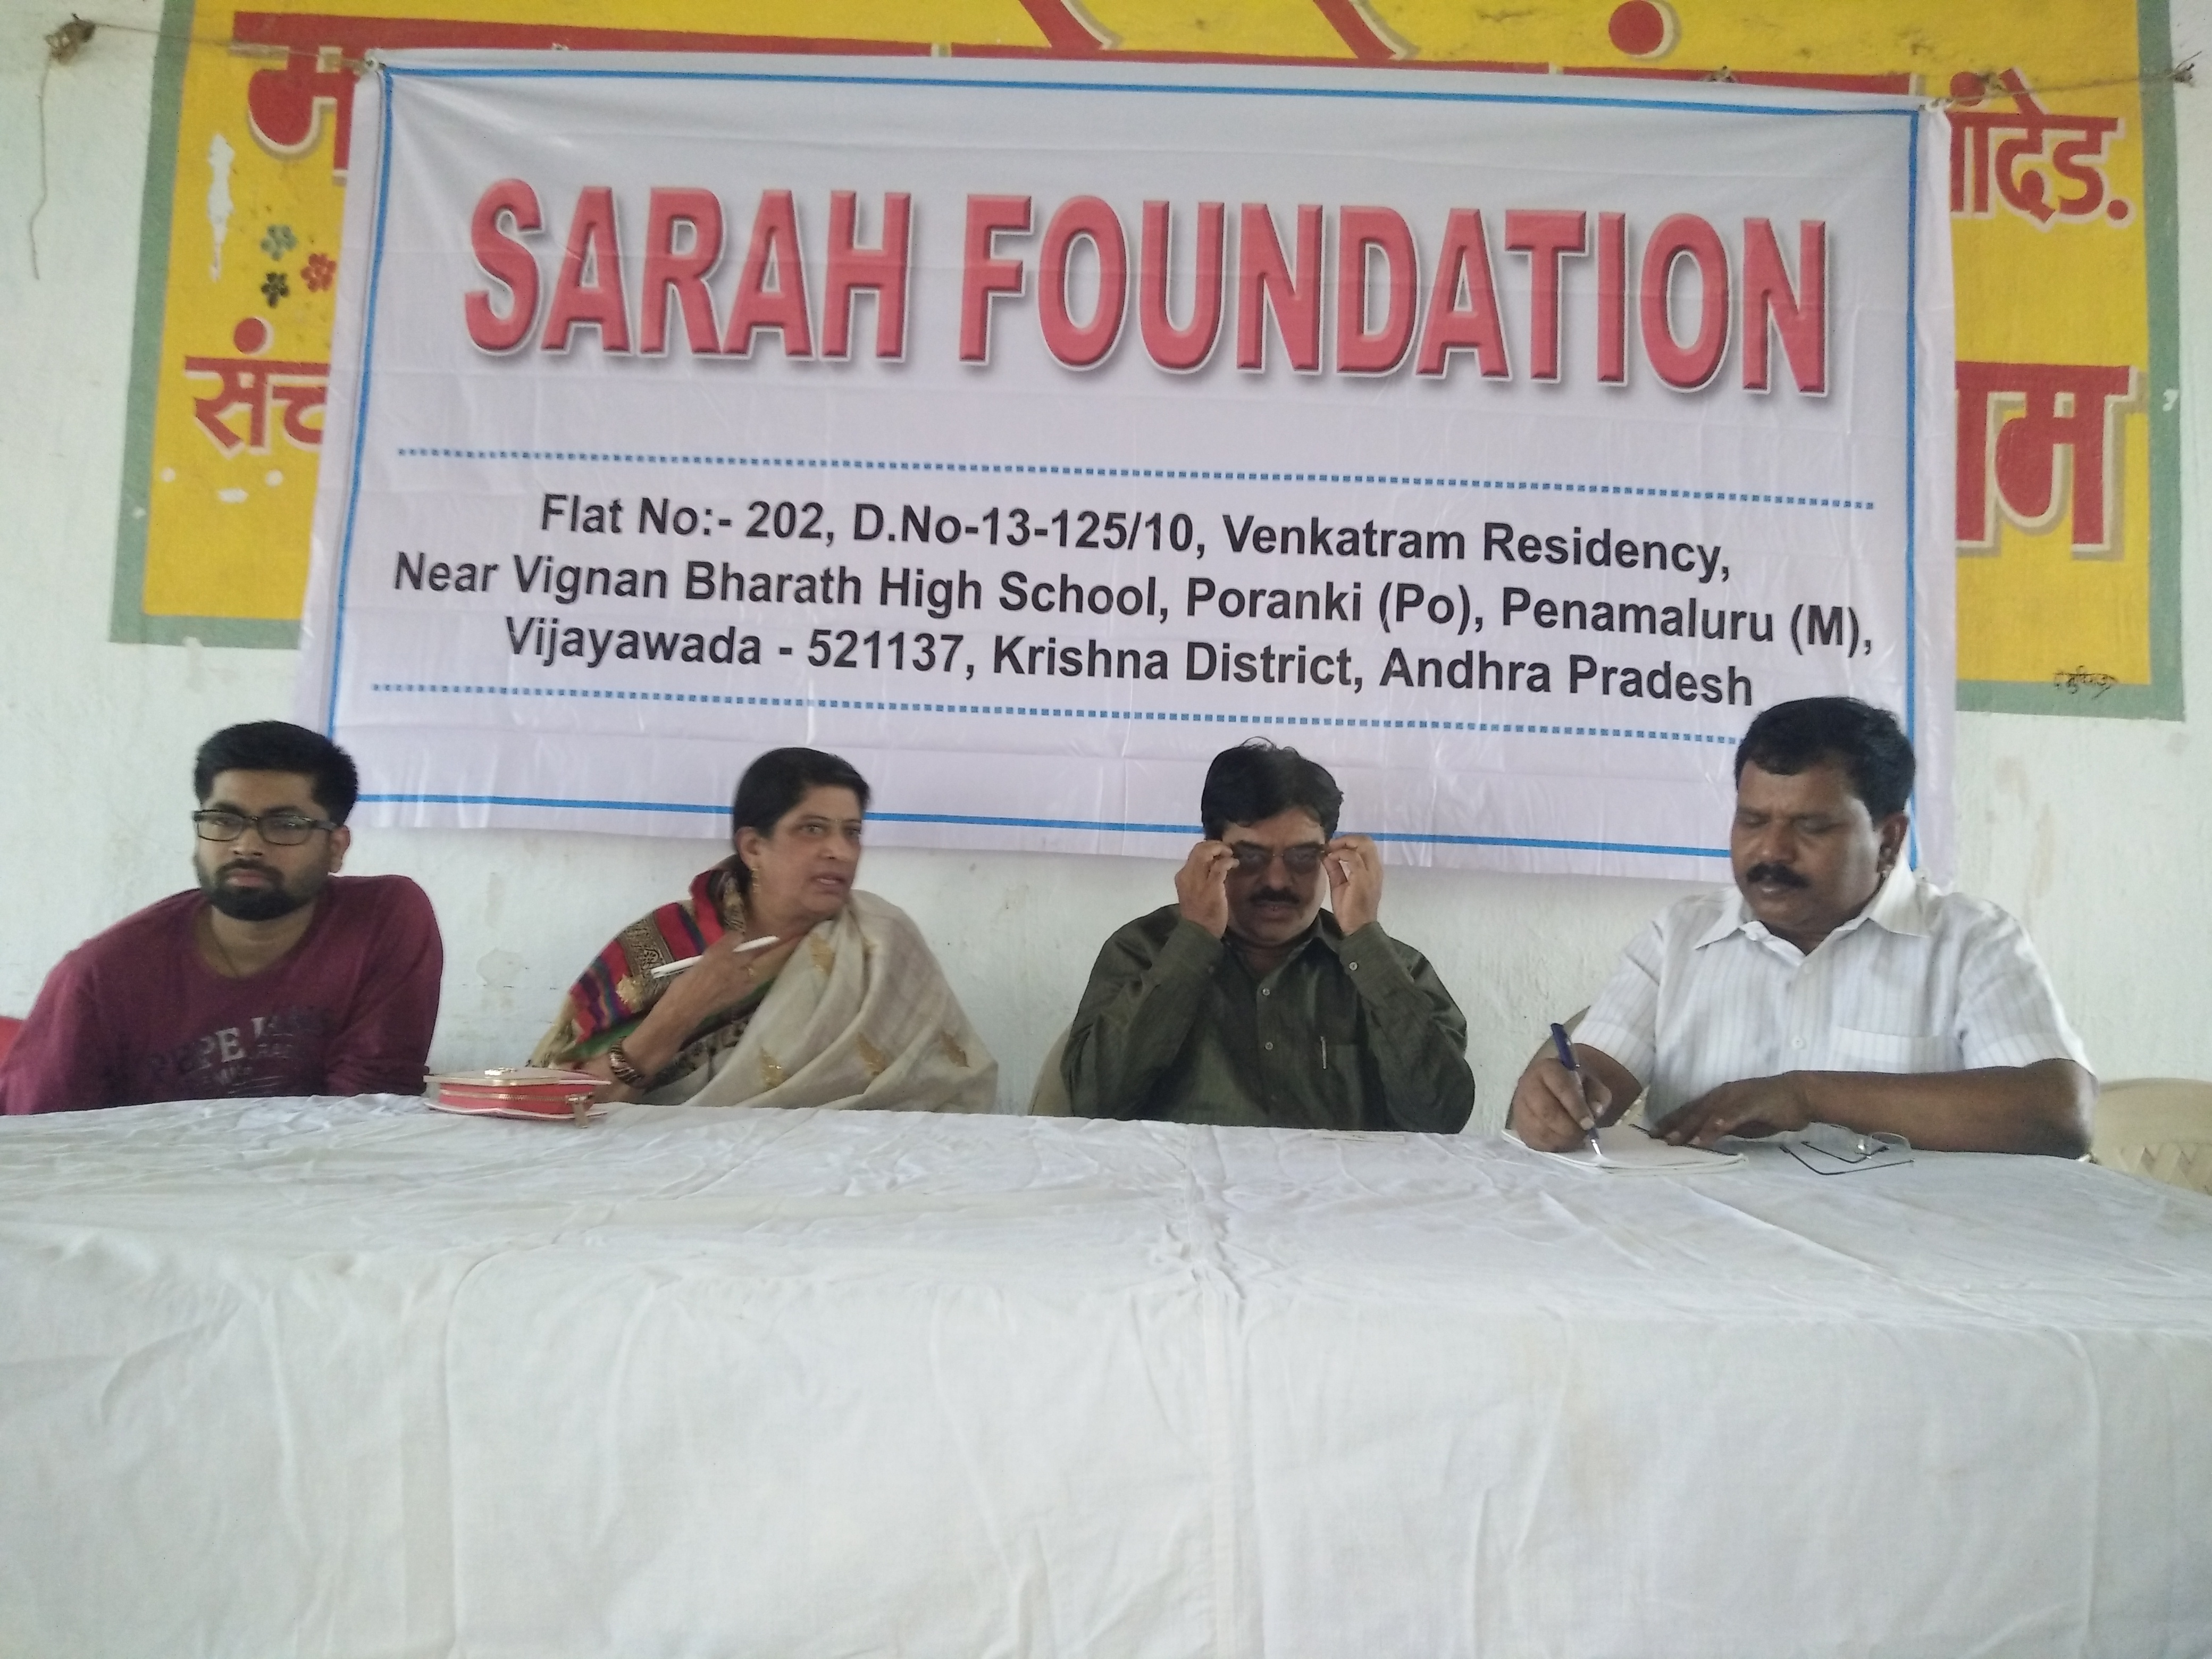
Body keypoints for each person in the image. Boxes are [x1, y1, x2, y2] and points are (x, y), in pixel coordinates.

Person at [1510, 696, 2094, 1158]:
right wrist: (1556, 1101)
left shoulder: (1970, 942)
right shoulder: (1681, 936)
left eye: (1811, 827)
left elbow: (2058, 1116)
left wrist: (1809, 1096)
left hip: (1913, 1252)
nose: (1771, 851)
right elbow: (1593, 1075)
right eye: (1752, 821)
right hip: (1700, 1245)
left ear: (1888, 839)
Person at [0, 722, 442, 1114]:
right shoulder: (99, 977)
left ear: (336, 847)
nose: (246, 845)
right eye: (224, 820)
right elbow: (40, 1144)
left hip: (322, 1173)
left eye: (286, 825)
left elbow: (368, 1110)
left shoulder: (382, 918)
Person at [533, 747, 996, 1111]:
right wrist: (679, 1013)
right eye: (812, 829)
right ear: (754, 847)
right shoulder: (665, 942)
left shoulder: (883, 940)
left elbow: (952, 1087)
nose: (841, 851)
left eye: (852, 832)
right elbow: (563, 1101)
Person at [1062, 739, 1474, 1130]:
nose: (1277, 880)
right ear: (1209, 855)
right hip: (1183, 1182)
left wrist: (1365, 939)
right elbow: (1094, 1105)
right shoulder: (1144, 950)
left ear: (1331, 856)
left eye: (1302, 857)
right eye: (1250, 856)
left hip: (1337, 1183)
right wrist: (1194, 942)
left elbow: (1440, 1119)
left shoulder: (1393, 967)